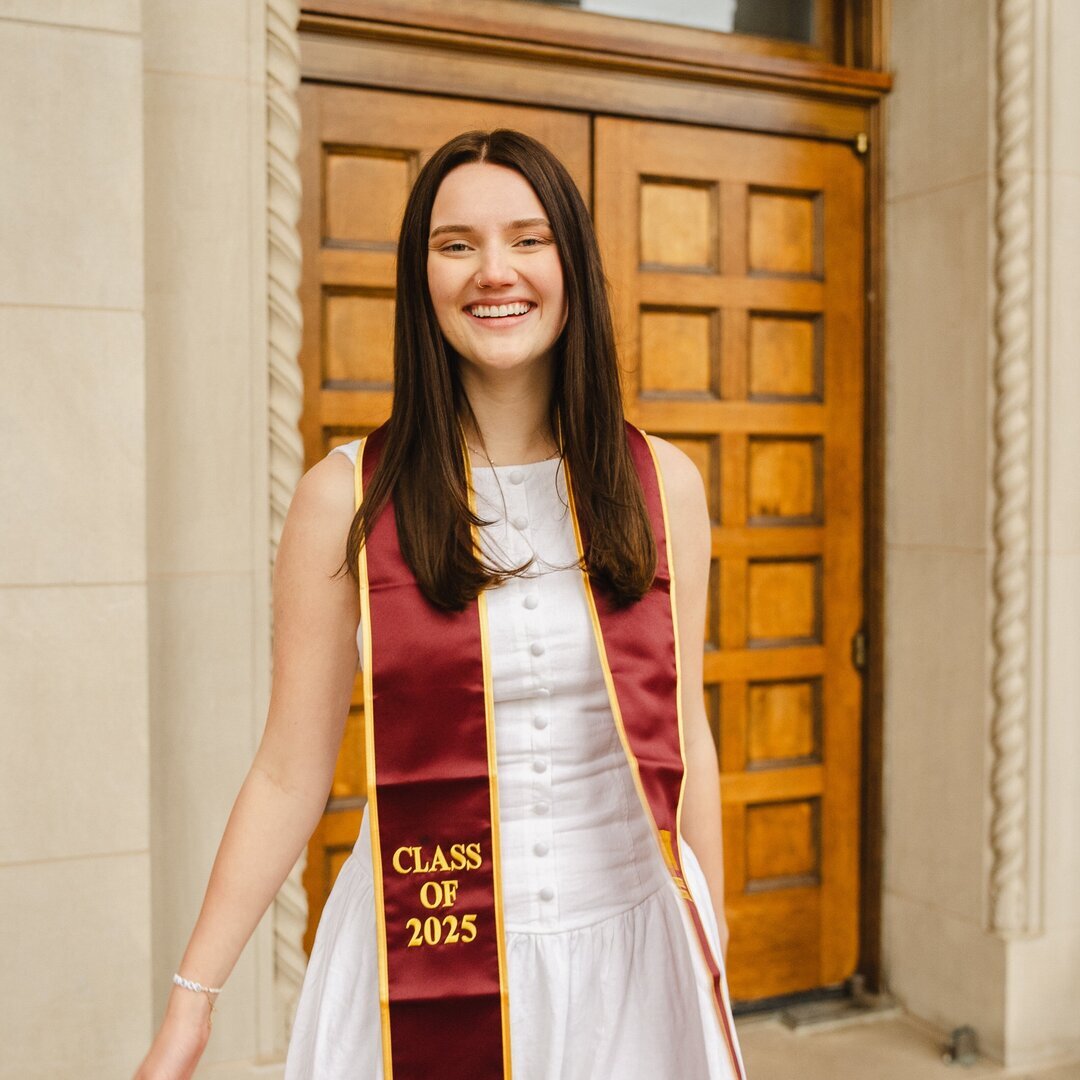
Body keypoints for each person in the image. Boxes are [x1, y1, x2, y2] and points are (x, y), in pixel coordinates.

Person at [135, 129, 746, 1080]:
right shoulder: (347, 497)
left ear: (573, 266)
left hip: (633, 960)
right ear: (420, 278)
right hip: (419, 950)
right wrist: (193, 1001)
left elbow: (687, 737)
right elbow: (289, 772)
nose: (494, 271)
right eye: (457, 244)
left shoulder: (662, 485)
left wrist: (713, 939)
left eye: (528, 239)